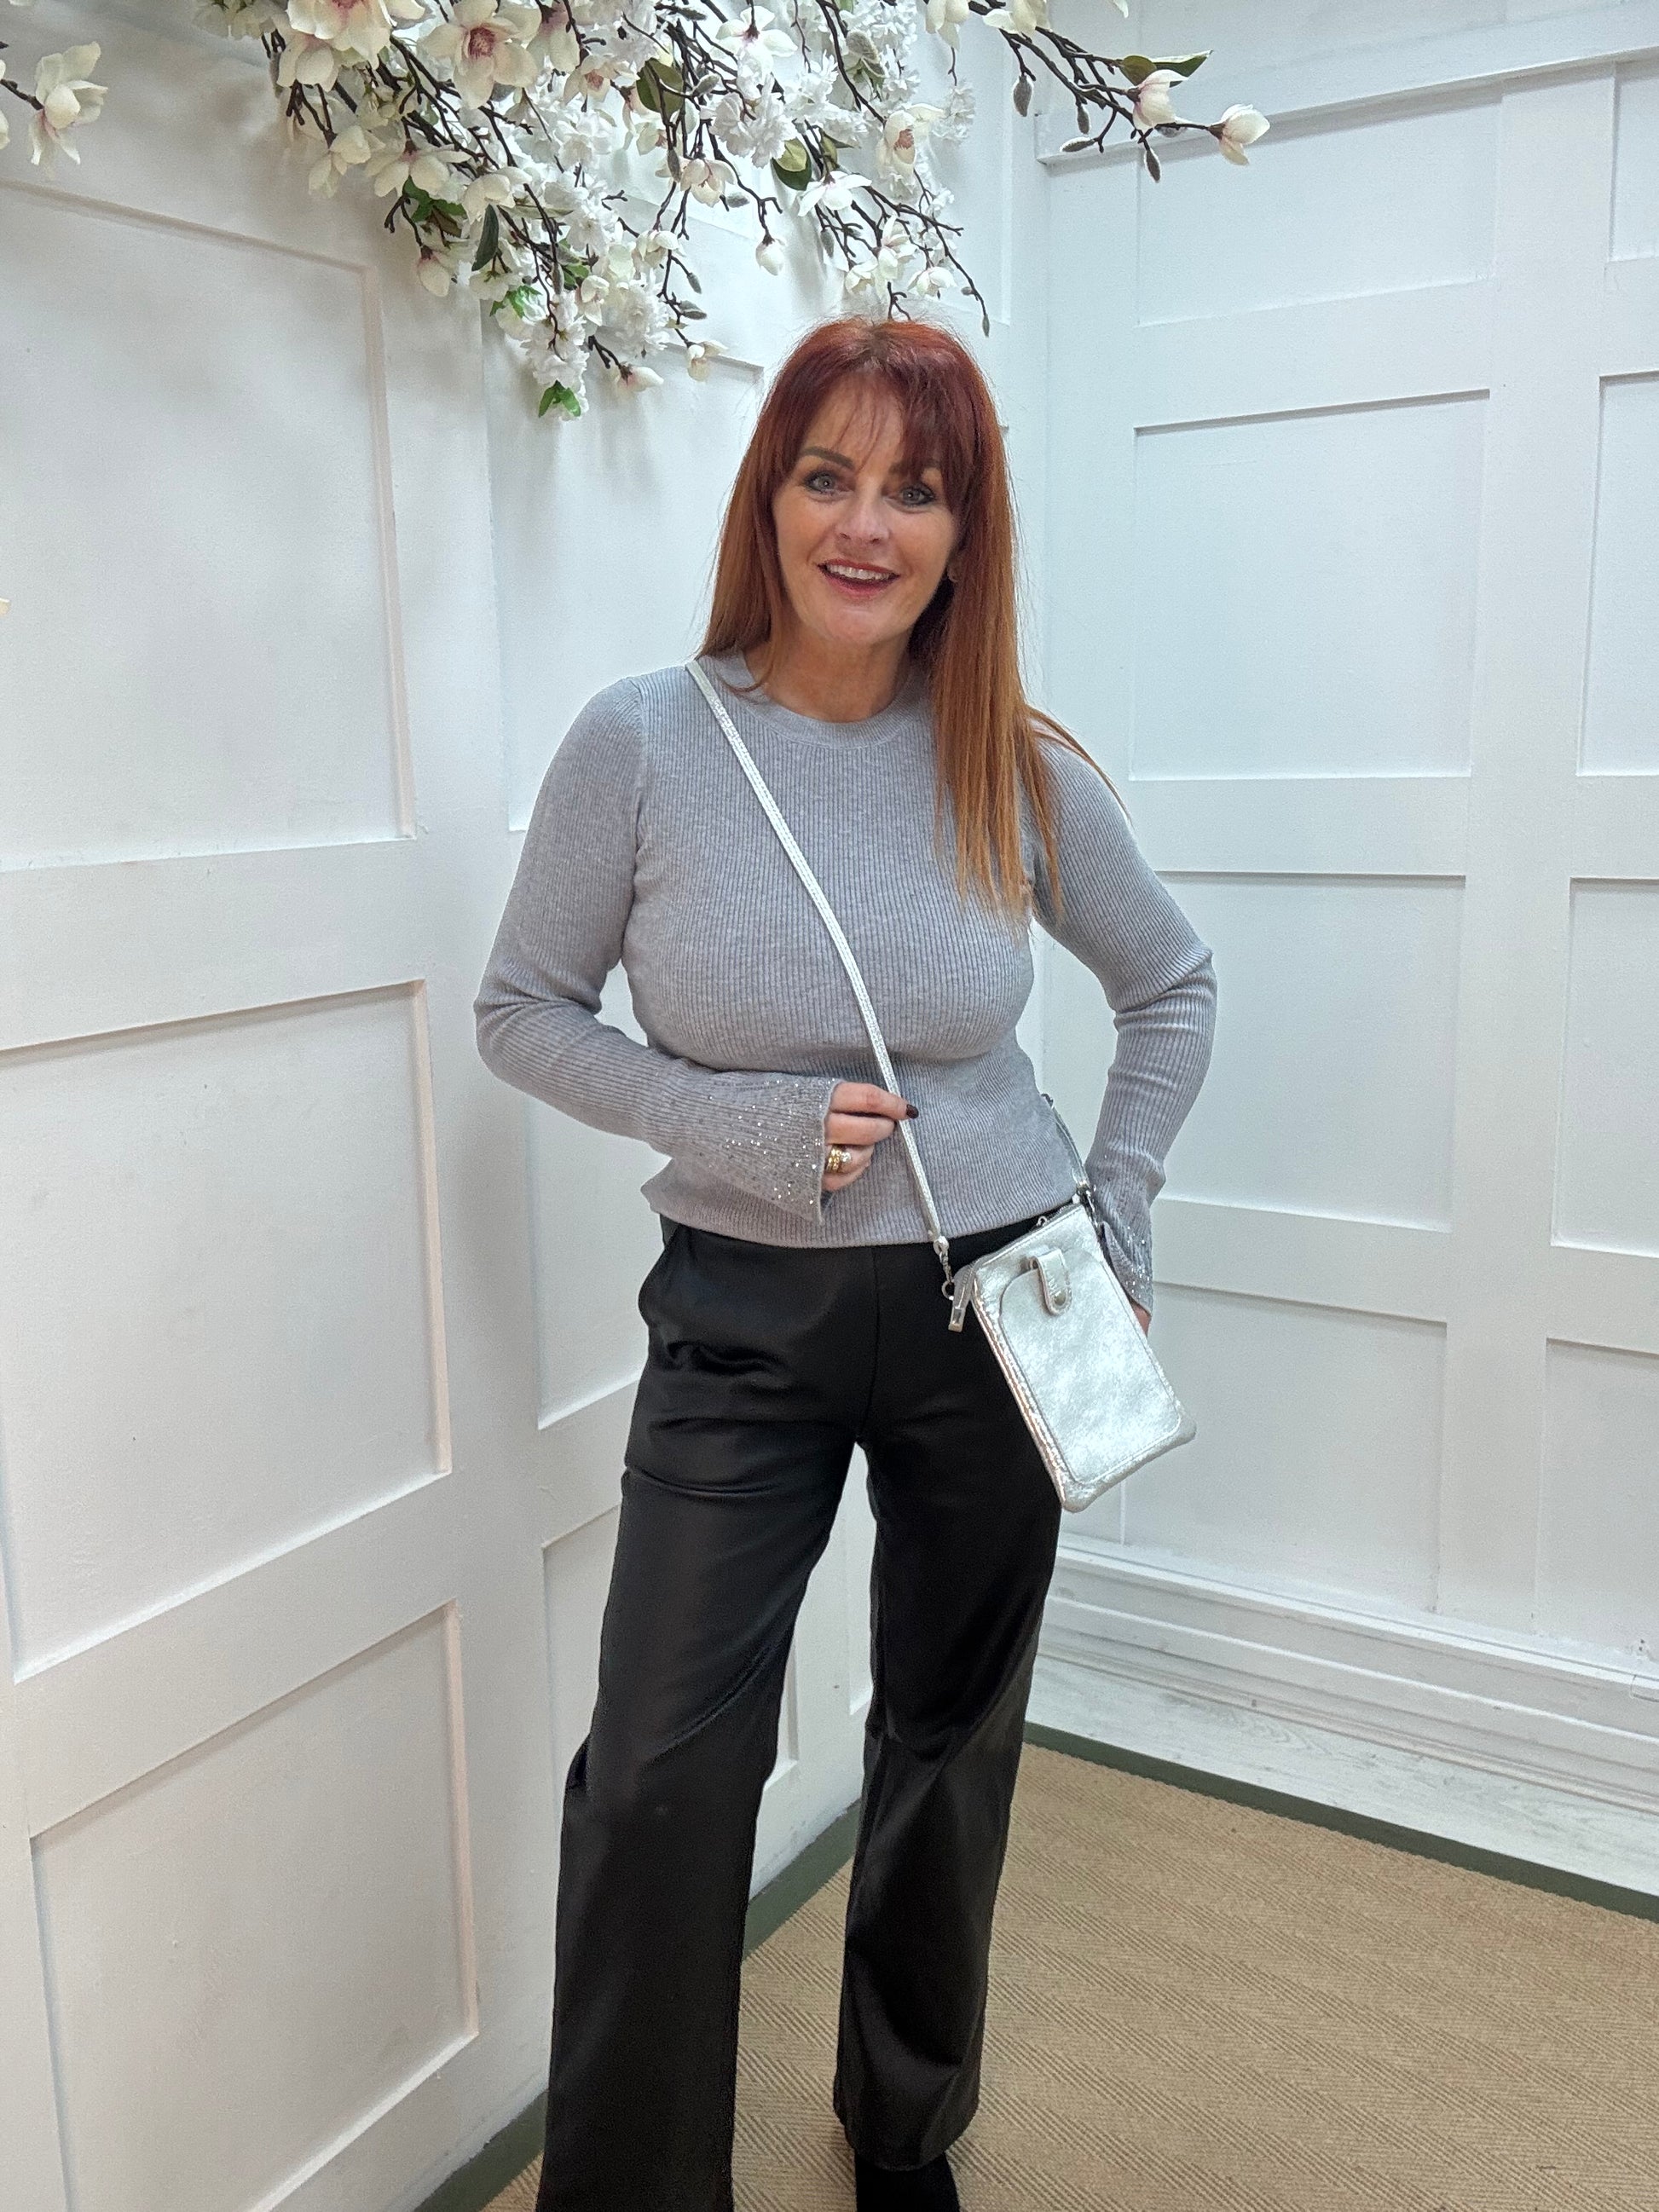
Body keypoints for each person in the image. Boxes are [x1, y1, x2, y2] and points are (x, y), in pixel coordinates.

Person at [473, 313, 1217, 2212]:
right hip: (743, 1315)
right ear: (769, 498)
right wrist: (729, 1124)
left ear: (965, 535)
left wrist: (1117, 1206)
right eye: (828, 475)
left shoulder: (1003, 760)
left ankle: (902, 2130)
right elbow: (521, 1010)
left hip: (1003, 1303)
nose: (864, 524)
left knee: (947, 1737)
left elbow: (1171, 984)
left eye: (915, 488)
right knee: (658, 1768)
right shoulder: (645, 739)